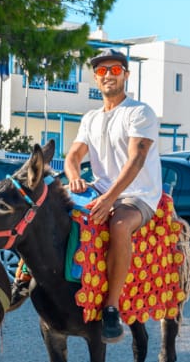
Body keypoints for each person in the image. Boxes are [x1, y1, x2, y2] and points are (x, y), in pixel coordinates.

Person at [64, 48, 162, 343]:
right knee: (45, 207)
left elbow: (136, 160)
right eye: (102, 71)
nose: (108, 75)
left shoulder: (139, 112)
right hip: (100, 189)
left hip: (138, 193)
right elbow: (72, 156)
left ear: (126, 75)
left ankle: (110, 307)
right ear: (96, 78)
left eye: (115, 70)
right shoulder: (90, 118)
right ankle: (26, 280)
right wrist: (75, 178)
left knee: (118, 225)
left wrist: (109, 200)